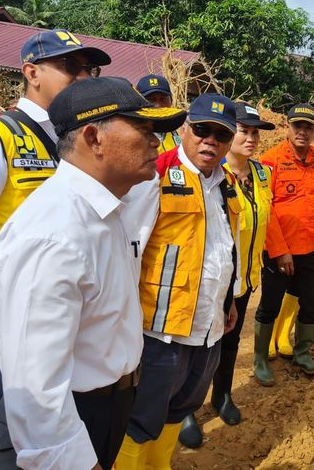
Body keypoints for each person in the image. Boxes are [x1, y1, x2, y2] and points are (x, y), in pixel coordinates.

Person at [0, 76, 186, 470]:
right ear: (93, 137)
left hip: (103, 409)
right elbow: (36, 390)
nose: (157, 143)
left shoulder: (106, 210)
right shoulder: (53, 233)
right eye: (144, 129)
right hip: (61, 430)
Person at [0, 28, 110, 470]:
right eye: (70, 67)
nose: (83, 77)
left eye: (89, 69)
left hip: (51, 335)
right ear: (31, 73)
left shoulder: (74, 145)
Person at [114, 93, 242, 468]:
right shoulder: (156, 174)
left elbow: (224, 247)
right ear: (185, 129)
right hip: (160, 332)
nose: (210, 142)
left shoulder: (225, 183)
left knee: (182, 407)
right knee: (142, 417)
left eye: (221, 135)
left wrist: (228, 300)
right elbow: (127, 251)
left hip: (209, 327)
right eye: (202, 130)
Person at [176, 102, 276, 450]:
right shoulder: (215, 177)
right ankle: (186, 410)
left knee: (228, 345)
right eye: (244, 131)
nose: (250, 138)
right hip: (207, 280)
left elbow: (266, 218)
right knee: (196, 346)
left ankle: (222, 395)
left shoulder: (262, 174)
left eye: (255, 133)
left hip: (243, 279)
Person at [253, 104, 314, 384]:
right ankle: (259, 358)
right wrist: (280, 251)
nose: (302, 131)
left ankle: (302, 351)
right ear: (286, 128)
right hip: (280, 250)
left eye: (308, 127)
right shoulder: (271, 161)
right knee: (270, 304)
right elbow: (264, 209)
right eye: (297, 126)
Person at [135, 74, 182, 153]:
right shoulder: (134, 135)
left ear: (171, 100)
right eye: (151, 100)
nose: (158, 105)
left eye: (162, 99)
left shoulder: (183, 129)